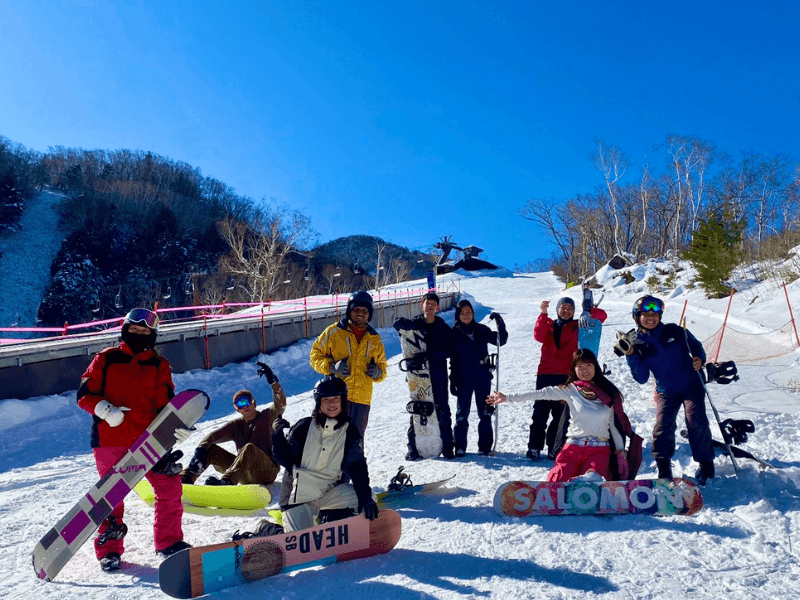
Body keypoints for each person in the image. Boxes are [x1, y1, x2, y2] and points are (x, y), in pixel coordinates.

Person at [76, 308, 190, 572]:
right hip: (110, 439)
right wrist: (105, 409)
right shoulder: (106, 358)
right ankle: (109, 550)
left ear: (153, 336)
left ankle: (169, 541)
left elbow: (165, 404)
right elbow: (84, 395)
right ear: (125, 331)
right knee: (111, 496)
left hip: (151, 439)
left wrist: (178, 426)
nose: (138, 334)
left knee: (169, 488)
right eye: (134, 330)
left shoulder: (159, 365)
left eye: (144, 331)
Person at [488, 349, 636, 482]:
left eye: (588, 366)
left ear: (595, 368)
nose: (585, 370)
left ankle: (586, 483)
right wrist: (507, 397)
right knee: (558, 478)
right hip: (572, 448)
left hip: (599, 449)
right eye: (580, 366)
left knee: (593, 476)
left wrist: (620, 451)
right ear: (574, 369)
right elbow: (541, 393)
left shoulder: (608, 394)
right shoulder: (570, 390)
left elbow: (614, 425)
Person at [619, 295, 716, 485]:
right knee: (663, 426)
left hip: (692, 384)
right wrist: (631, 355)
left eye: (655, 314)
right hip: (666, 390)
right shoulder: (634, 341)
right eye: (645, 314)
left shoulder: (675, 331)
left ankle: (706, 465)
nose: (651, 318)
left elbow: (696, 347)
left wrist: (699, 359)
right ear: (636, 317)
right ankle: (663, 468)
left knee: (696, 421)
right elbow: (641, 378)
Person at [271, 375, 379, 532]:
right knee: (301, 543)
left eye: (336, 398)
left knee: (367, 497)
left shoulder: (350, 431)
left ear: (343, 400)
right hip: (298, 497)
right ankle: (268, 529)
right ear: (318, 403)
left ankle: (330, 518)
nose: (332, 403)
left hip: (328, 493)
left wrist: (365, 498)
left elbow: (357, 466)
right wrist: (276, 437)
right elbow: (286, 461)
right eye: (326, 399)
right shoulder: (304, 427)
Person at [526, 290, 607, 461]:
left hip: (566, 376)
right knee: (540, 412)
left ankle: (554, 449)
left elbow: (602, 317)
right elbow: (538, 336)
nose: (567, 311)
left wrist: (588, 311)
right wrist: (542, 314)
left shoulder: (579, 325)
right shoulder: (549, 325)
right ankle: (534, 447)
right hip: (545, 374)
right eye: (563, 307)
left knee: (560, 415)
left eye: (570, 308)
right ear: (557, 309)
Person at [180, 362, 286, 486]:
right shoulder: (236, 425)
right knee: (211, 449)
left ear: (254, 403)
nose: (245, 407)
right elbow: (213, 436)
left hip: (267, 472)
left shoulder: (267, 416)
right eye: (240, 404)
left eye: (247, 402)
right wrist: (200, 450)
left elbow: (280, 404)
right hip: (244, 473)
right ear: (237, 409)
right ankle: (185, 479)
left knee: (249, 448)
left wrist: (273, 382)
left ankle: (227, 482)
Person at [309, 290, 388, 437]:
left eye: (365, 311)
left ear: (369, 314)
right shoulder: (334, 332)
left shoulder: (374, 338)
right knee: (330, 440)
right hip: (335, 398)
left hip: (361, 399)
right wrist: (331, 367)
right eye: (356, 309)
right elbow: (315, 356)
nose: (360, 313)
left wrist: (378, 372)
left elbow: (383, 368)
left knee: (355, 442)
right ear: (349, 311)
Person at [393, 291, 455, 460]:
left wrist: (429, 355)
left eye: (433, 304)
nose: (430, 307)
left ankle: (448, 446)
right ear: (422, 305)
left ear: (437, 307)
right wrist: (403, 324)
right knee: (418, 406)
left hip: (438, 373)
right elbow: (398, 326)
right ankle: (413, 447)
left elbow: (449, 349)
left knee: (442, 408)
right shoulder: (415, 323)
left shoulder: (442, 326)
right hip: (418, 375)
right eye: (427, 303)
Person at [449, 300, 508, 456]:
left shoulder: (481, 330)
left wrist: (500, 324)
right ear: (458, 315)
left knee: (485, 412)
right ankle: (460, 446)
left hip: (482, 377)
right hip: (463, 379)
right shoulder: (454, 334)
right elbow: (453, 360)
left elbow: (500, 340)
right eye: (462, 313)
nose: (466, 315)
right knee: (462, 414)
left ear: (473, 314)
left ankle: (485, 446)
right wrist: (453, 379)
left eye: (469, 312)